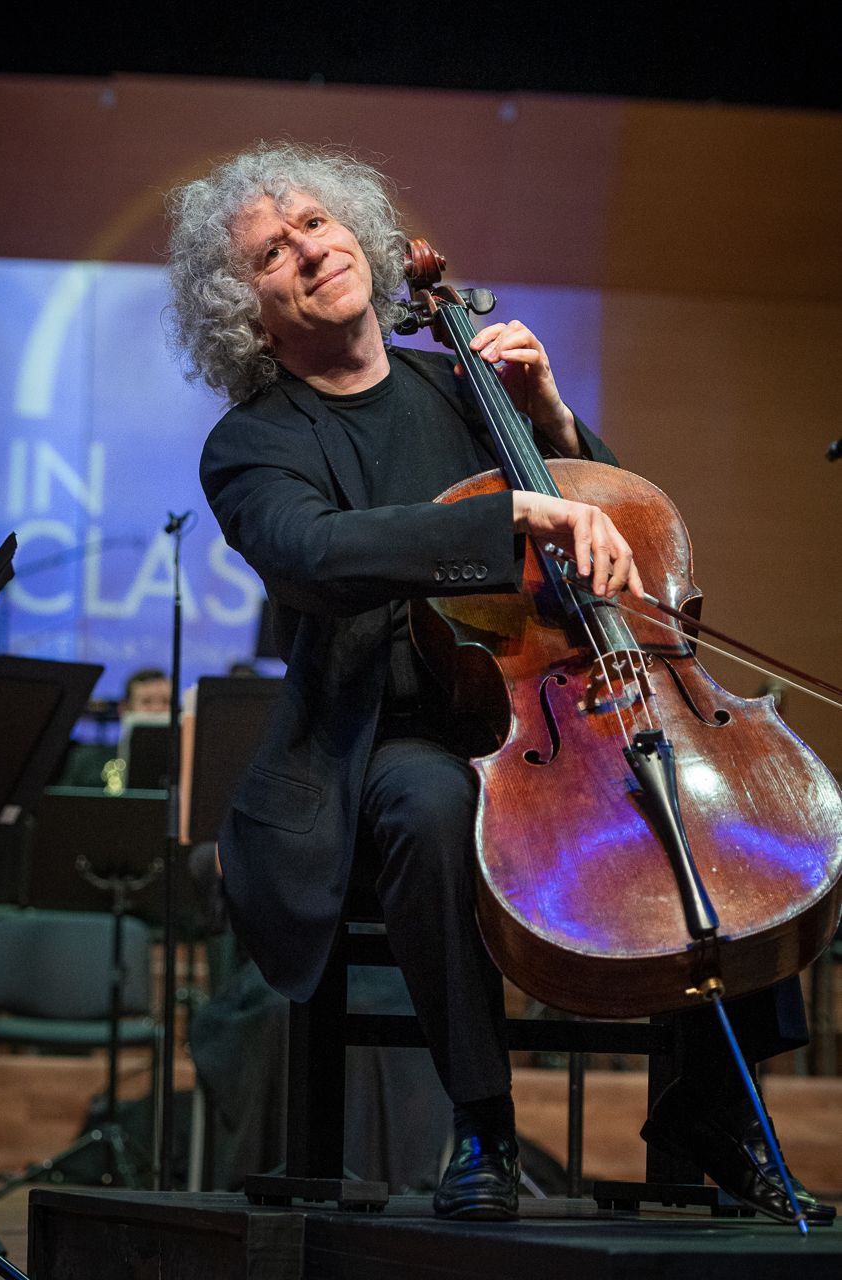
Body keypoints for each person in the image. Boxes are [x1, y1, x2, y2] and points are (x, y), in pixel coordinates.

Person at [166, 141, 833, 1224]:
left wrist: (553, 424)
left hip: (554, 703)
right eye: (269, 253)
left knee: (712, 798)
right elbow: (313, 552)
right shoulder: (254, 443)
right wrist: (511, 511)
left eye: (317, 224)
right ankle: (480, 1122)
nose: (309, 251)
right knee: (432, 807)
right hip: (388, 731)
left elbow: (615, 523)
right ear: (248, 313)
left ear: (360, 235)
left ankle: (715, 1107)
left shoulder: (465, 381)